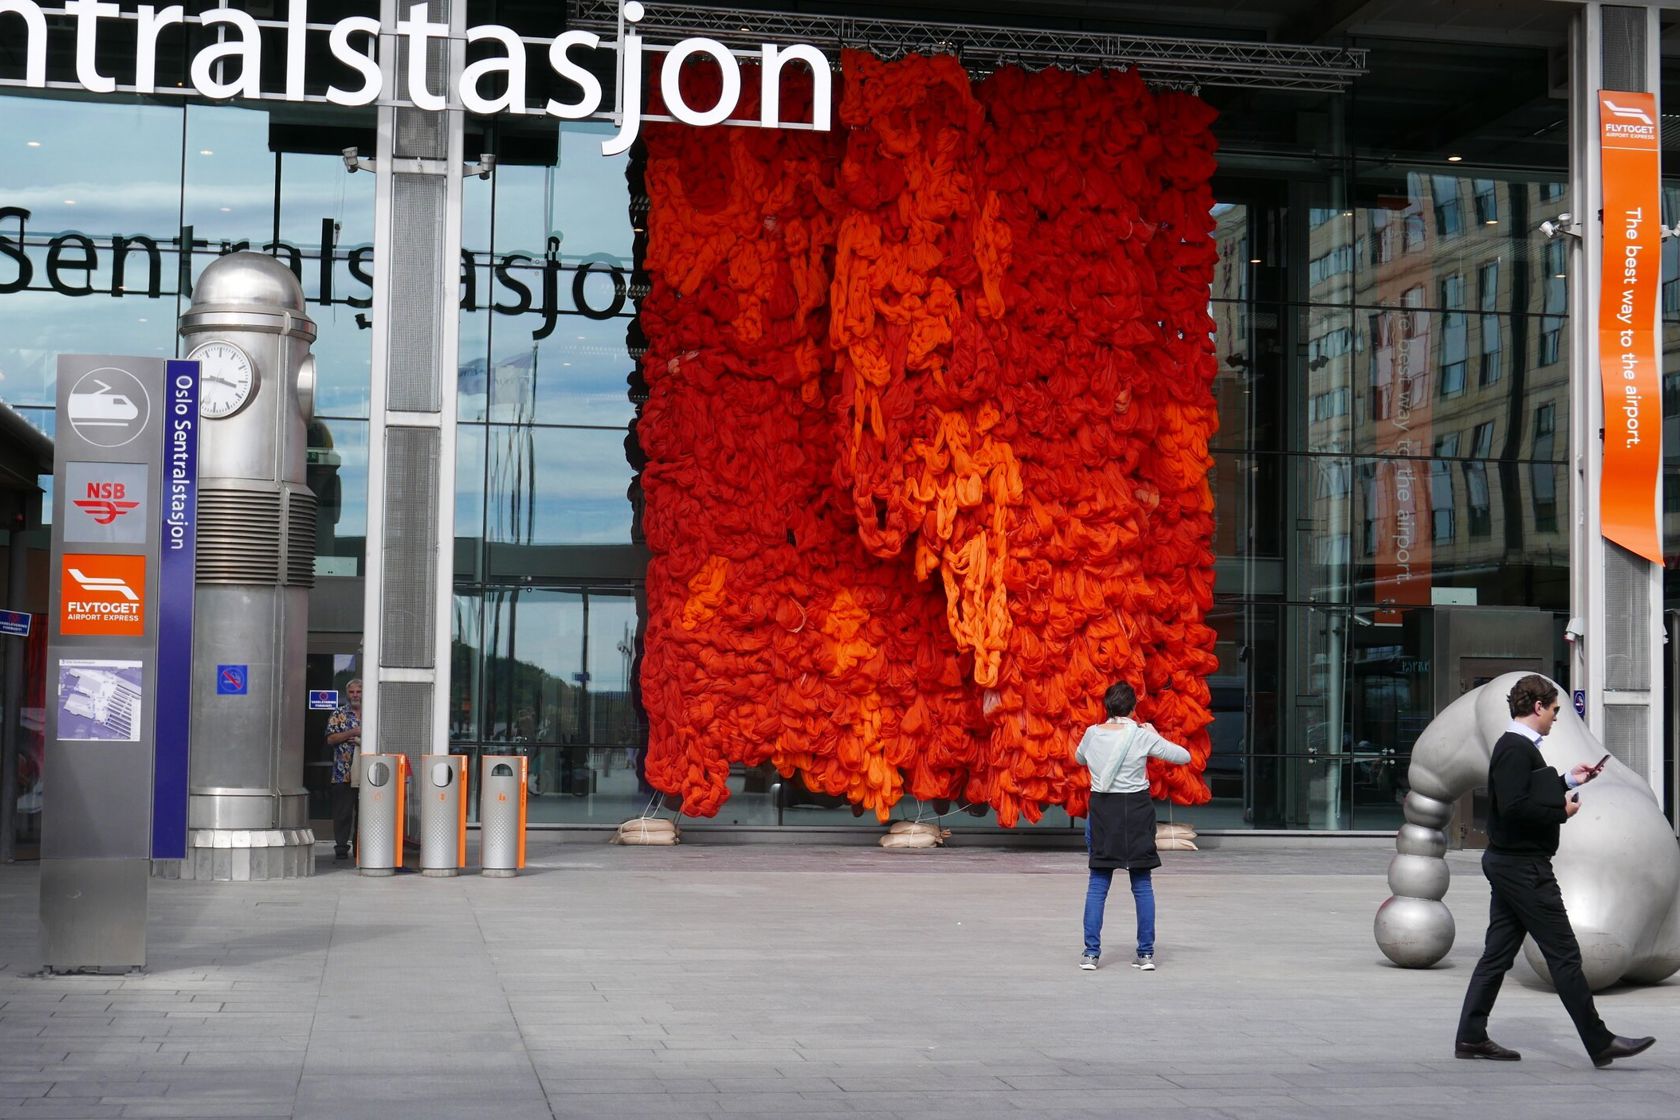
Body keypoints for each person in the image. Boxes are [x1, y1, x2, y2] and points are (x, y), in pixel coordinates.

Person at [1454, 674, 1655, 1068]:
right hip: (1523, 867)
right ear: (1538, 707)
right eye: (1554, 711)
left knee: (1496, 955)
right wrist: (1559, 812)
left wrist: (1568, 780)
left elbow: (1523, 794)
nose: (1556, 719)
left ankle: (1471, 1036)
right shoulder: (1515, 748)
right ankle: (1600, 1042)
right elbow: (1513, 809)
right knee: (1564, 954)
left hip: (1511, 864)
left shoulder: (1520, 748)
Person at [1074, 680, 1192, 971]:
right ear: (1133, 707)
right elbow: (1183, 756)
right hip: (1137, 810)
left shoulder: (1092, 733)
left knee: (1098, 882)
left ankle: (1091, 954)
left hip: (1103, 809)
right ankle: (1146, 954)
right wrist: (1153, 734)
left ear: (1106, 706)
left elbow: (1078, 758)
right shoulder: (1141, 736)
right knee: (1142, 884)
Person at [325, 679, 363, 862]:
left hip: (368, 774)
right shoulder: (339, 714)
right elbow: (331, 739)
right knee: (343, 814)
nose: (355, 695)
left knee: (364, 813)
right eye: (352, 692)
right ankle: (341, 849)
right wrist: (352, 732)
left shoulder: (374, 712)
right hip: (343, 773)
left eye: (359, 691)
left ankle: (361, 849)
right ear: (348, 694)